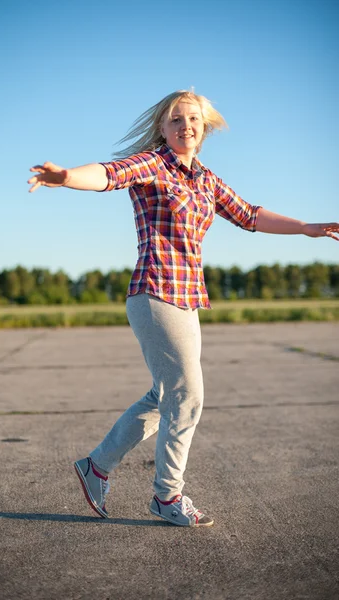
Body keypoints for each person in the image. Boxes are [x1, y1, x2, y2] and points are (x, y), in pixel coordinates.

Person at [28, 90, 338, 528]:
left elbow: (249, 214)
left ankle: (96, 467)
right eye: (175, 119)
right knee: (188, 397)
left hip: (188, 298)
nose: (184, 126)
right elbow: (109, 174)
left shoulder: (207, 180)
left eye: (192, 119)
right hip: (154, 293)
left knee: (165, 395)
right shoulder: (153, 164)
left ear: (204, 127)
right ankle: (167, 496)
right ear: (163, 127)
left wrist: (306, 228)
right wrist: (66, 177)